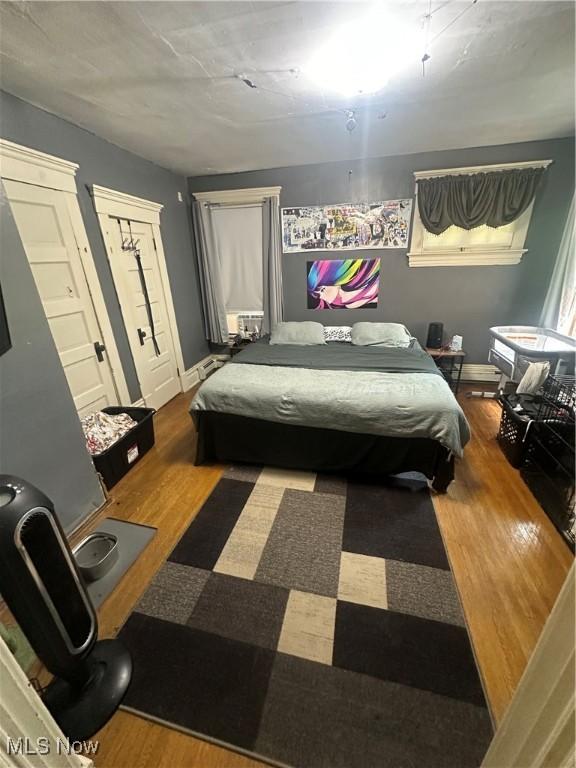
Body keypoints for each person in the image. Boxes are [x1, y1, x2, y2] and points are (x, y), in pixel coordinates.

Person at [307, 259, 380, 309]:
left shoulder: (353, 291)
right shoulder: (349, 303)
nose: (322, 297)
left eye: (322, 290)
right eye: (318, 295)